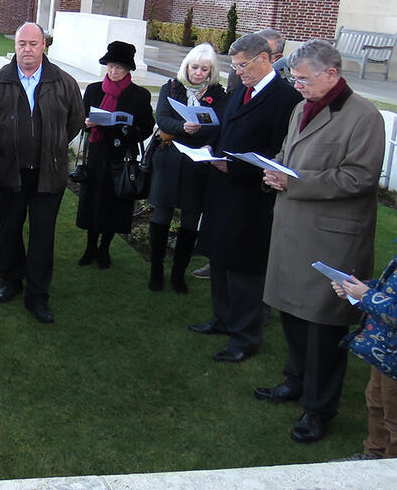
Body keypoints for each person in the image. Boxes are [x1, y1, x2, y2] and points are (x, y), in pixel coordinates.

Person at [257, 39, 384, 443]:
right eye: (293, 79)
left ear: (332, 73)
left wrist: (295, 182)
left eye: (303, 79)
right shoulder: (300, 106)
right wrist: (274, 171)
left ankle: (319, 408)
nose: (297, 86)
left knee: (324, 325)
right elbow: (288, 153)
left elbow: (360, 178)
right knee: (293, 315)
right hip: (292, 229)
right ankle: (295, 380)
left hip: (332, 238)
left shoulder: (364, 117)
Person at [189, 34, 301, 363]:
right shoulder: (241, 90)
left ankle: (246, 335)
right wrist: (212, 150)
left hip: (253, 197)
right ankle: (222, 318)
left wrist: (234, 165)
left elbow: (280, 152)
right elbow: (228, 130)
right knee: (221, 260)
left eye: (243, 65)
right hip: (223, 190)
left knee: (245, 271)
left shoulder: (285, 99)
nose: (238, 72)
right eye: (235, 66)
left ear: (265, 59)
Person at [0, 23, 83, 324]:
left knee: (42, 235)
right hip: (11, 172)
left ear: (44, 45)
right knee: (10, 230)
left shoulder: (64, 83)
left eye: (33, 43)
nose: (27, 49)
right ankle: (12, 281)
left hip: (48, 174)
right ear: (15, 45)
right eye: (22, 43)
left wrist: (52, 145)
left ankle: (37, 295)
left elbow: (74, 122)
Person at [146, 44, 227, 293]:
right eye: (194, 67)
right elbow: (162, 118)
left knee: (190, 220)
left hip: (198, 164)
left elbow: (218, 127)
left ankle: (178, 274)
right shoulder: (171, 88)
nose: (198, 73)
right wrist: (184, 128)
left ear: (211, 71)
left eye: (205, 69)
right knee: (161, 216)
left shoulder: (219, 95)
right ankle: (156, 271)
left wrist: (195, 135)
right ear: (186, 66)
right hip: (169, 160)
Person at [75, 41, 156, 271]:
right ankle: (90, 247)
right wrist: (87, 123)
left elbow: (147, 126)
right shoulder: (93, 90)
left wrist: (131, 130)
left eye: (119, 67)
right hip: (97, 155)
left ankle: (105, 248)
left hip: (122, 157)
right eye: (110, 66)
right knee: (93, 202)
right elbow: (82, 118)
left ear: (128, 69)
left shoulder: (139, 95)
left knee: (114, 203)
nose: (113, 71)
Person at [334, 250, 397, 459]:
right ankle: (372, 455)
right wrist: (356, 288)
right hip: (385, 353)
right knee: (376, 402)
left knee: (394, 417)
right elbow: (389, 290)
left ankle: (388, 471)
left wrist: (366, 296)